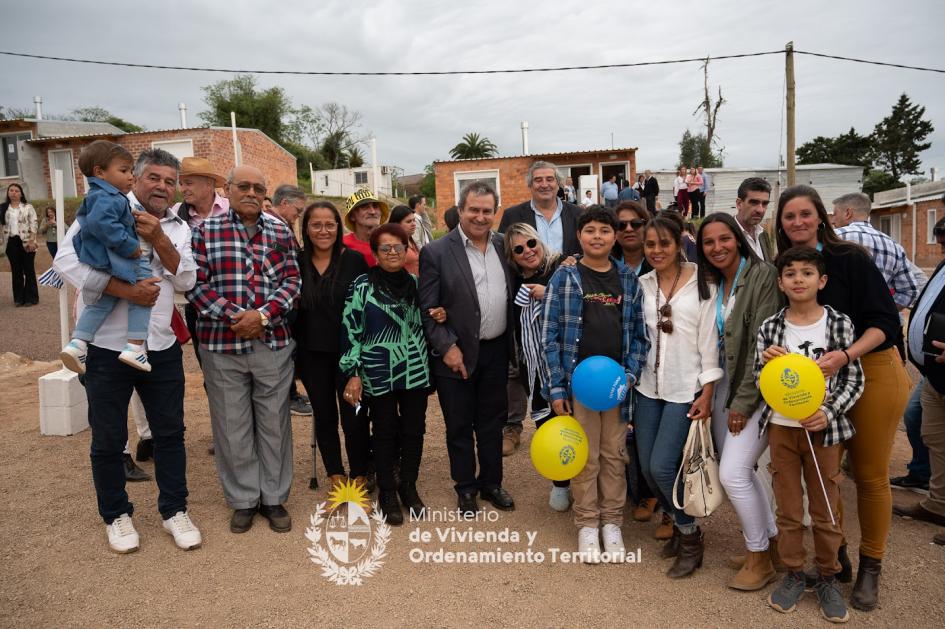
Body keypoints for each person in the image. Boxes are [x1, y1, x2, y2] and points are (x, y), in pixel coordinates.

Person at [54, 147, 202, 554]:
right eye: (153, 177)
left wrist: (158, 238)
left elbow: (186, 279)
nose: (162, 186)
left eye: (170, 181)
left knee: (170, 433)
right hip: (105, 347)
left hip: (160, 346)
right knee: (108, 437)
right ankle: (116, 515)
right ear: (134, 178)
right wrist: (126, 290)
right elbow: (65, 261)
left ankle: (175, 510)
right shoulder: (103, 205)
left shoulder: (179, 226)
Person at [776, 184, 910, 611]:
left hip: (870, 369)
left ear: (823, 216)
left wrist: (846, 355)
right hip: (818, 381)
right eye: (789, 216)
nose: (797, 222)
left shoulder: (850, 259)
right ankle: (839, 559)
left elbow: (886, 322)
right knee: (826, 474)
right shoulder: (788, 267)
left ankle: (872, 564)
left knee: (868, 475)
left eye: (805, 213)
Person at [187, 165, 302, 535]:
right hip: (222, 344)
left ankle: (273, 498)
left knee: (274, 424)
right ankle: (243, 500)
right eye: (244, 186)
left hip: (272, 343)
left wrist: (263, 316)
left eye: (258, 187)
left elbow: (292, 281)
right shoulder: (204, 231)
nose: (251, 192)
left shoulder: (280, 230)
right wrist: (237, 316)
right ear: (229, 189)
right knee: (231, 425)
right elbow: (196, 285)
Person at [756, 246, 864, 624]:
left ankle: (828, 575)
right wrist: (768, 365)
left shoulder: (839, 324)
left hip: (823, 430)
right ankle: (794, 572)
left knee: (825, 506)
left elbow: (854, 379)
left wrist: (827, 411)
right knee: (787, 506)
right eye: (790, 274)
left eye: (806, 273)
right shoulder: (771, 327)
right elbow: (761, 379)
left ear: (822, 281)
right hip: (782, 430)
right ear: (781, 282)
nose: (798, 279)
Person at [542, 206, 648, 563]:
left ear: (615, 237)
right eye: (590, 230)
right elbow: (550, 335)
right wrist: (557, 387)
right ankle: (588, 523)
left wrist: (629, 376)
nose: (598, 237)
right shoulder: (565, 277)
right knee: (584, 456)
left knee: (614, 455)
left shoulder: (627, 280)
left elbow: (639, 335)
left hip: (616, 387)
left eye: (605, 230)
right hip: (579, 387)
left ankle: (611, 522)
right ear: (579, 237)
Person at [696, 212, 783, 590]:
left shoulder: (761, 276)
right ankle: (771, 544)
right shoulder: (716, 282)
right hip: (726, 385)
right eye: (709, 242)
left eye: (724, 239)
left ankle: (759, 557)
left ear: (738, 238)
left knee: (732, 472)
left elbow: (762, 344)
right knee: (741, 471)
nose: (717, 247)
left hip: (758, 387)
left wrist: (743, 403)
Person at [419, 181, 516, 515]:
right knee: (459, 425)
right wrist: (447, 347)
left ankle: (491, 483)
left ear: (495, 212)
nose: (480, 216)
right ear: (460, 210)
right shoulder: (436, 252)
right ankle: (465, 487)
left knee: (492, 422)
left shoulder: (506, 246)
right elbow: (427, 308)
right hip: (455, 354)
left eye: (487, 210)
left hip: (496, 350)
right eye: (473, 209)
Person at [635, 212, 721, 578]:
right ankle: (676, 518)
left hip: (685, 388)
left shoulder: (703, 284)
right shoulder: (641, 284)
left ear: (679, 242)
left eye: (664, 244)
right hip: (646, 387)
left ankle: (689, 536)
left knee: (662, 466)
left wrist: (707, 390)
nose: (656, 251)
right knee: (646, 470)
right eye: (650, 244)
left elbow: (709, 343)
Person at [340, 223, 432, 525]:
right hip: (377, 369)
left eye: (398, 247)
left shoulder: (418, 284)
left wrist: (439, 313)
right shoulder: (361, 285)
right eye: (386, 248)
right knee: (384, 430)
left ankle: (409, 486)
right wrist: (353, 371)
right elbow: (350, 329)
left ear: (407, 250)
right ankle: (388, 492)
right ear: (376, 252)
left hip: (415, 369)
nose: (393, 252)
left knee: (414, 429)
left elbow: (430, 321)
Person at [294, 201, 371, 493]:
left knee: (355, 415)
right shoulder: (297, 261)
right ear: (306, 228)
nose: (323, 230)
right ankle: (336, 477)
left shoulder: (354, 261)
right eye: (316, 224)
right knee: (325, 416)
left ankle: (360, 475)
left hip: (349, 355)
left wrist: (360, 362)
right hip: (312, 354)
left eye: (330, 224)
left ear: (338, 228)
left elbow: (364, 312)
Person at [60, 141, 154, 374]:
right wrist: (130, 246)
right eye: (123, 171)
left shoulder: (101, 196)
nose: (131, 177)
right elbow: (103, 224)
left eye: (131, 171)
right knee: (146, 292)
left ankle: (78, 342)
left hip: (107, 261)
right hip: (123, 258)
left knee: (103, 301)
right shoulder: (107, 197)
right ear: (99, 172)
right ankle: (135, 347)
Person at [501, 223, 570, 508]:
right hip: (535, 370)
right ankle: (561, 482)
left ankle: (588, 485)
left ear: (539, 242)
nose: (527, 251)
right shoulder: (514, 285)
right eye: (518, 249)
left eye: (531, 243)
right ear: (512, 257)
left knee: (577, 424)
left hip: (567, 366)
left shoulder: (564, 268)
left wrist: (550, 293)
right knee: (548, 428)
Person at [900, 214, 945, 546]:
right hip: (934, 375)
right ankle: (939, 504)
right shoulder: (942, 267)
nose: (939, 237)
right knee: (933, 435)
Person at [266, 184, 313, 417]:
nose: (298, 215)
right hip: (280, 304)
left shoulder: (281, 225)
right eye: (298, 210)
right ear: (284, 203)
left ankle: (290, 395)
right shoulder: (273, 227)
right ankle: (288, 397)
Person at [831, 192, 917, 312]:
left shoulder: (832, 238)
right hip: (880, 325)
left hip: (838, 323)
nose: (832, 220)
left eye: (834, 214)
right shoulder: (894, 246)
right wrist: (883, 311)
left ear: (848, 213)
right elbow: (909, 291)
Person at [498, 160, 584, 257]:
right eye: (538, 180)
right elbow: (504, 254)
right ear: (530, 185)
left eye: (550, 179)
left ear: (558, 184)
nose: (544, 185)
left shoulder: (579, 214)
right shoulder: (512, 216)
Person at [1, 183, 39, 306]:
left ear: (21, 193)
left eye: (16, 191)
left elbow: (34, 224)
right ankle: (18, 298)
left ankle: (31, 298)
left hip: (27, 241)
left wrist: (32, 240)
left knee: (29, 269)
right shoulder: (3, 208)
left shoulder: (28, 207)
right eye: (11, 190)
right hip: (10, 242)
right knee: (16, 270)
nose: (13, 193)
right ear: (8, 193)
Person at [343, 188, 389, 267]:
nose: (372, 212)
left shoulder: (390, 243)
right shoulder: (342, 245)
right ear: (352, 216)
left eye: (375, 206)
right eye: (364, 207)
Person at [735, 177, 776, 262]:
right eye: (754, 202)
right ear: (739, 204)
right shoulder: (726, 236)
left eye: (764, 203)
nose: (760, 210)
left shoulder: (763, 234)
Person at [387, 205, 421, 276]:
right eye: (409, 222)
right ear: (397, 224)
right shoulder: (392, 244)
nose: (413, 224)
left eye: (414, 220)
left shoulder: (411, 240)